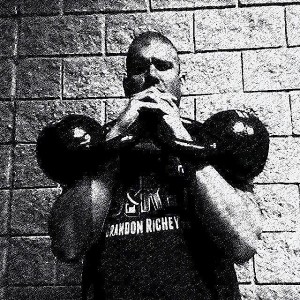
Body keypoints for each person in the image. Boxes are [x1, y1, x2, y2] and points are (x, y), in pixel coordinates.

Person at [49, 31, 263, 300]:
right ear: (127, 85)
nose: (151, 75)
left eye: (163, 66)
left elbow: (243, 244)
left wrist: (182, 140)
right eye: (139, 68)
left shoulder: (211, 144)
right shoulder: (97, 148)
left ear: (180, 81)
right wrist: (117, 137)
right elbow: (68, 246)